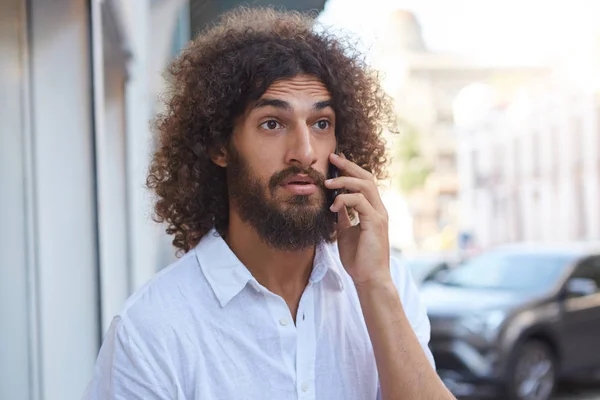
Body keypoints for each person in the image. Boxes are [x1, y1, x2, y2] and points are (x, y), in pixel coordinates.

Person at [83, 7, 454, 400]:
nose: (304, 152)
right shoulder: (151, 330)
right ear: (219, 146)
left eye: (321, 123)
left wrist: (374, 285)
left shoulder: (386, 285)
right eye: (272, 124)